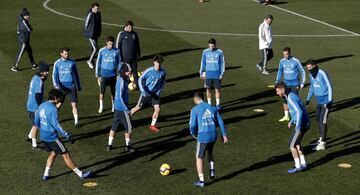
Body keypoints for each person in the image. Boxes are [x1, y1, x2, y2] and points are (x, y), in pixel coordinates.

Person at [34, 89, 91, 181]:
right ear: (55, 98)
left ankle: (46, 174)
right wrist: (67, 136)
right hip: (52, 138)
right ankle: (80, 174)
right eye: (59, 98)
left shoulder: (42, 105)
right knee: (66, 155)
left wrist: (44, 128)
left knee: (53, 153)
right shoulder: (53, 109)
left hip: (43, 136)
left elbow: (36, 121)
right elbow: (57, 125)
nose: (60, 100)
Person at [189, 92, 228, 187]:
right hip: (213, 134)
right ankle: (212, 170)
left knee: (199, 158)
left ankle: (201, 181)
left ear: (195, 99)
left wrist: (193, 133)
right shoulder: (212, 107)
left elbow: (193, 125)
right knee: (209, 152)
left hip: (203, 136)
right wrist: (224, 135)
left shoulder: (194, 109)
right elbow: (220, 121)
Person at [275, 82, 310, 174]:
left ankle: (298, 166)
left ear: (283, 89)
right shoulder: (289, 95)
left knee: (291, 145)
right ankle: (303, 164)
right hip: (305, 123)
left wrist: (297, 126)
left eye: (278, 91)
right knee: (297, 143)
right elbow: (298, 111)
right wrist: (292, 120)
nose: (277, 93)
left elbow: (299, 112)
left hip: (302, 125)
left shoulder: (290, 97)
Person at [130, 55, 166, 132]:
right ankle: (127, 118)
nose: (158, 64)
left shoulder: (163, 72)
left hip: (155, 94)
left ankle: (152, 125)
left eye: (160, 62)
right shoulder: (149, 71)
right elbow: (140, 79)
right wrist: (143, 91)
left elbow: (163, 83)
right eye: (157, 62)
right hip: (146, 93)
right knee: (137, 108)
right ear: (154, 62)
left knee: (157, 109)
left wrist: (159, 91)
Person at [305, 59, 333, 151]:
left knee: (322, 121)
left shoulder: (322, 73)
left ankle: (323, 143)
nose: (309, 69)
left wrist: (329, 101)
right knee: (318, 119)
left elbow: (329, 86)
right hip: (319, 102)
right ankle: (321, 139)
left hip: (326, 102)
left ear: (314, 65)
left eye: (310, 67)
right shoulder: (311, 74)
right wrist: (308, 99)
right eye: (307, 68)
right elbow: (312, 87)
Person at [106, 63, 135, 152]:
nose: (129, 74)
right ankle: (128, 146)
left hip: (117, 108)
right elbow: (120, 97)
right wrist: (126, 109)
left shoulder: (121, 79)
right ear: (123, 72)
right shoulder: (121, 80)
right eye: (128, 72)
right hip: (122, 108)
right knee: (128, 127)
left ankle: (109, 145)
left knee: (114, 126)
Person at [52, 47, 82, 128]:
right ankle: (53, 118)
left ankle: (76, 122)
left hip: (72, 87)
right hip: (62, 88)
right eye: (65, 54)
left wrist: (79, 85)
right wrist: (56, 86)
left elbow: (76, 75)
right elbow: (54, 75)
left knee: (74, 104)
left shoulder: (72, 62)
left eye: (67, 54)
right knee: (59, 104)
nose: (67, 55)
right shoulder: (57, 63)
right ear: (61, 54)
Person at [275, 47, 306, 122]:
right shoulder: (282, 61)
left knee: (293, 100)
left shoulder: (295, 61)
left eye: (287, 54)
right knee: (285, 100)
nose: (286, 56)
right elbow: (280, 72)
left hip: (295, 85)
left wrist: (302, 83)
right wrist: (277, 82)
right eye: (284, 54)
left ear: (290, 53)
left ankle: (296, 117)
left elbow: (302, 71)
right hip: (285, 85)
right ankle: (286, 116)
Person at [25, 61, 49, 149]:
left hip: (30, 104)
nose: (47, 73)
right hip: (34, 106)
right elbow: (37, 95)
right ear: (42, 71)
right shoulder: (39, 81)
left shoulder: (34, 77)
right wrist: (40, 106)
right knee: (36, 125)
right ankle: (34, 145)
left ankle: (29, 137)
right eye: (46, 71)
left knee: (35, 123)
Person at [96, 36, 121, 113]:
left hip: (113, 75)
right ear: (106, 43)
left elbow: (119, 63)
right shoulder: (102, 51)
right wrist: (98, 74)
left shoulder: (117, 51)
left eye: (112, 44)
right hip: (103, 75)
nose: (111, 46)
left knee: (113, 92)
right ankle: (101, 107)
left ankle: (113, 106)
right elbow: (98, 63)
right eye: (109, 44)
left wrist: (119, 74)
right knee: (102, 91)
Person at [199, 38, 225, 110]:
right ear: (208, 45)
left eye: (212, 46)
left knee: (217, 90)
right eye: (210, 46)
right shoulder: (205, 52)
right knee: (208, 89)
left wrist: (222, 73)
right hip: (208, 74)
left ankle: (217, 104)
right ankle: (209, 105)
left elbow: (222, 63)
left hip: (217, 74)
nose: (211, 47)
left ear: (215, 45)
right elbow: (203, 62)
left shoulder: (220, 52)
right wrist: (201, 72)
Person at [116, 21, 141, 88]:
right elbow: (118, 46)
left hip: (133, 57)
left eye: (131, 28)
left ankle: (137, 85)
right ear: (126, 27)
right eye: (129, 27)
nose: (131, 29)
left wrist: (138, 54)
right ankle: (123, 84)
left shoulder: (134, 34)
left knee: (135, 71)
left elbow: (137, 44)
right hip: (124, 58)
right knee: (125, 72)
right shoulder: (121, 34)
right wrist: (119, 57)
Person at [84, 2, 101, 69]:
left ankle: (93, 61)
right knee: (95, 49)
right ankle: (89, 60)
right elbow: (86, 23)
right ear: (92, 8)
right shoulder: (90, 14)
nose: (97, 10)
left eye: (97, 8)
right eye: (96, 8)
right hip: (90, 35)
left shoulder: (97, 14)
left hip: (95, 34)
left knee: (96, 48)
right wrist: (88, 32)